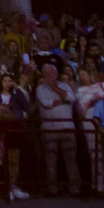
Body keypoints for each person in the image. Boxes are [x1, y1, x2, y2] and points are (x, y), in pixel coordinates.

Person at [32, 61, 80, 197]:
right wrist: (63, 99)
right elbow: (46, 103)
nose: (49, 75)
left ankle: (75, 188)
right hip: (49, 129)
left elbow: (72, 98)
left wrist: (55, 88)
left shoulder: (65, 85)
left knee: (71, 159)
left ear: (57, 73)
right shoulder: (40, 89)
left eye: (52, 72)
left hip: (67, 128)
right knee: (50, 161)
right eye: (46, 73)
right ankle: (52, 188)